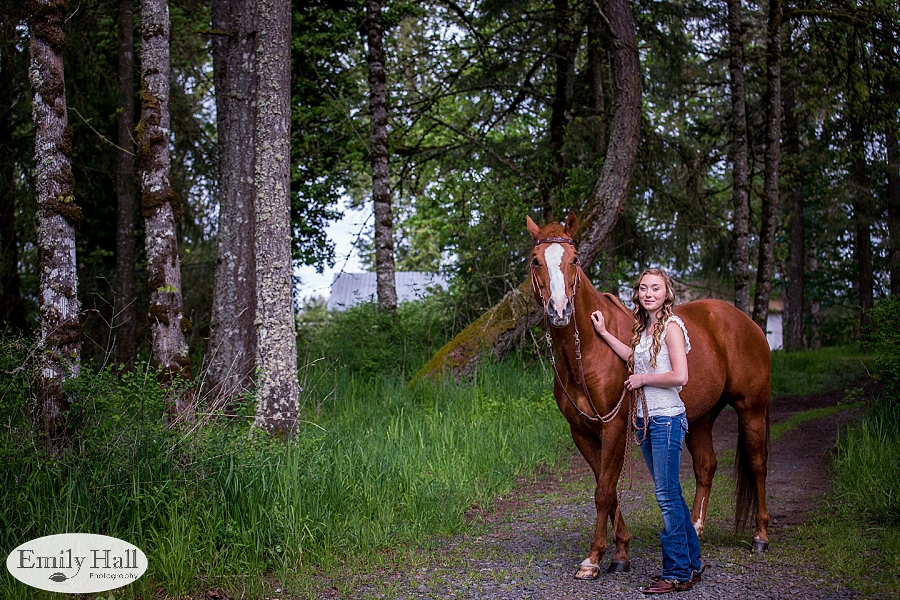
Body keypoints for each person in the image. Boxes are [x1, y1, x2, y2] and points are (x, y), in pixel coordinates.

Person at [590, 267, 702, 594]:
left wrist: (643, 380)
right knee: (674, 497)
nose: (648, 293)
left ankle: (677, 572)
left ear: (667, 292)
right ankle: (691, 564)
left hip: (666, 419)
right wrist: (604, 333)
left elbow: (680, 376)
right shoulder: (645, 328)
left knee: (666, 498)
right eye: (643, 288)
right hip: (648, 421)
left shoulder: (672, 327)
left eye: (655, 288)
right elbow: (633, 359)